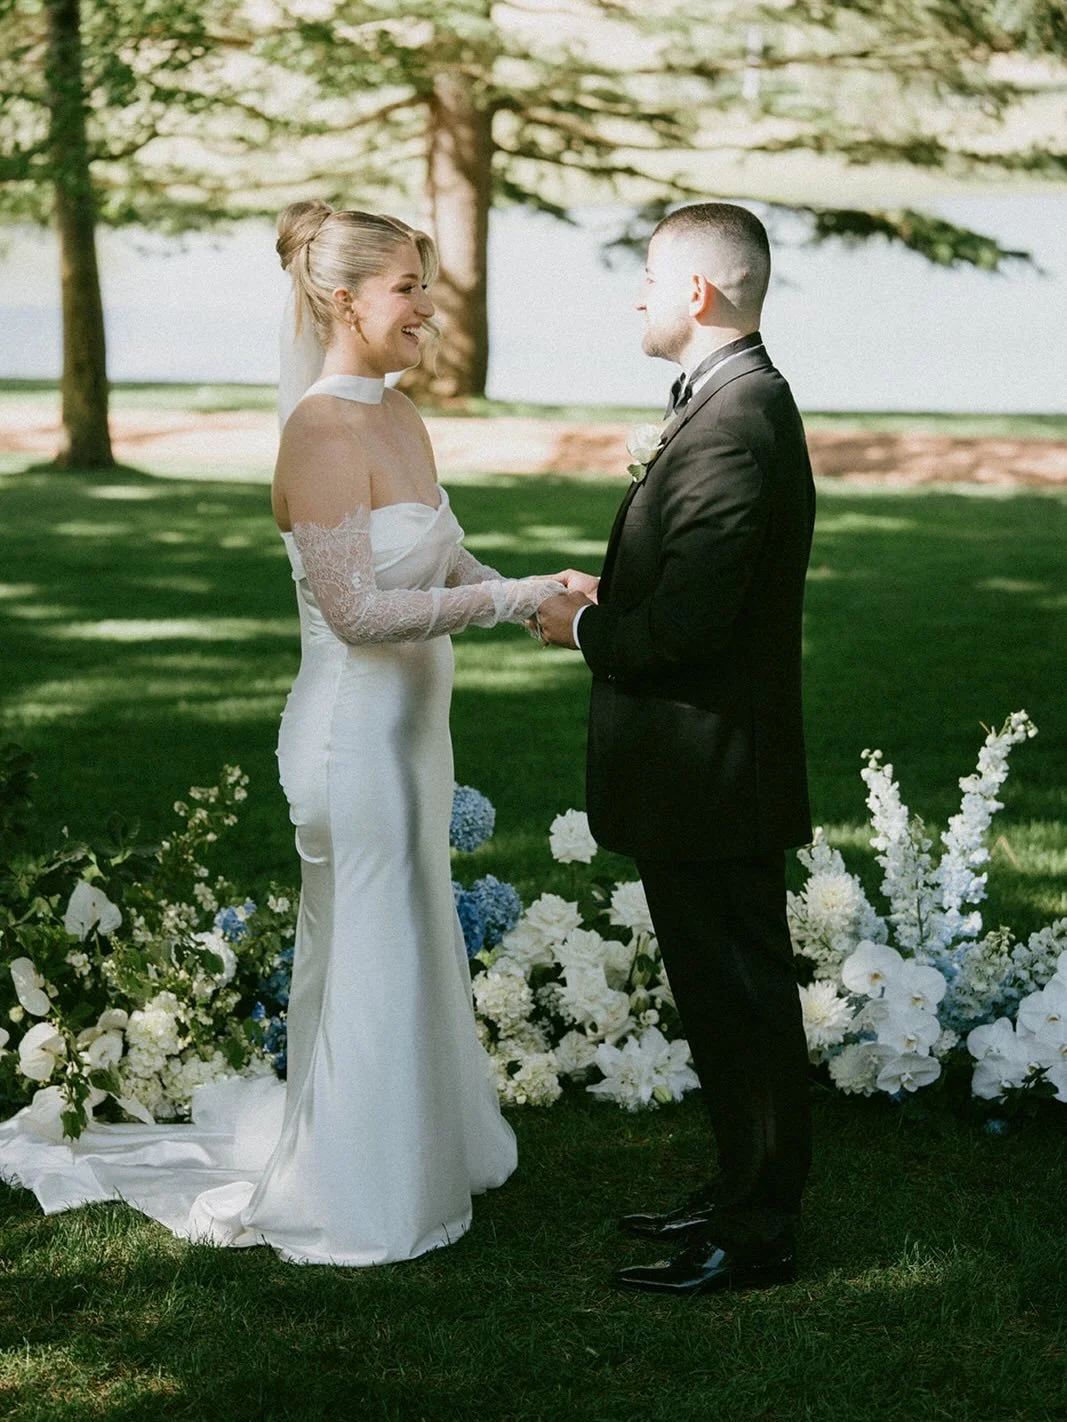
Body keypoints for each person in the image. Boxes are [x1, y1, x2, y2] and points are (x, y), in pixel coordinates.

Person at [0, 202, 565, 1266]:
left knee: (409, 931)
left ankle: (424, 1152)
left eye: (425, 284)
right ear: (342, 299)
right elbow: (354, 611)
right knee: (370, 945)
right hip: (351, 739)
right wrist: (511, 596)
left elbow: (443, 558)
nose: (428, 307)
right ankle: (360, 1194)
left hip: (414, 738)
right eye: (408, 287)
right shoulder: (319, 431)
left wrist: (539, 604)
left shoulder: (398, 414)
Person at [536, 202, 816, 1295]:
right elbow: (702, 585)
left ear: (695, 293)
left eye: (649, 279)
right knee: (721, 999)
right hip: (704, 769)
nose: (638, 297)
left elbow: (695, 631)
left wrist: (585, 628)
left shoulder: (735, 419)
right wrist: (616, 591)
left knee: (741, 1002)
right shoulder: (729, 399)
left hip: (713, 771)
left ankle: (757, 1235)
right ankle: (741, 1189)